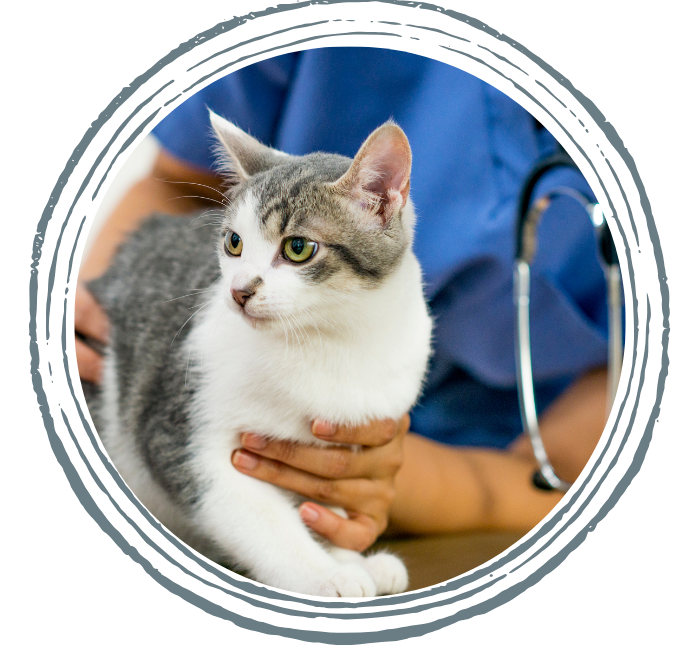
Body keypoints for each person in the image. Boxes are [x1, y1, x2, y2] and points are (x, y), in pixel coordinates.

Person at [74, 47, 620, 554]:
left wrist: (381, 476)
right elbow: (178, 185)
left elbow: (568, 483)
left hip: (477, 476)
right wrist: (96, 335)